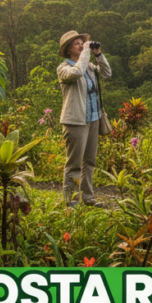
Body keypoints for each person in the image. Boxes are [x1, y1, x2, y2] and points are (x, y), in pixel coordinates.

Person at [57, 30, 111, 206]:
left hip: (93, 119)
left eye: (83, 43)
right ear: (68, 49)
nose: (81, 45)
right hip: (75, 121)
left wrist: (98, 54)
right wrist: (86, 53)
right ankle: (70, 202)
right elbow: (77, 72)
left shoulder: (89, 66)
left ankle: (88, 197)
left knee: (89, 161)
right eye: (77, 44)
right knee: (74, 164)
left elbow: (106, 73)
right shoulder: (64, 68)